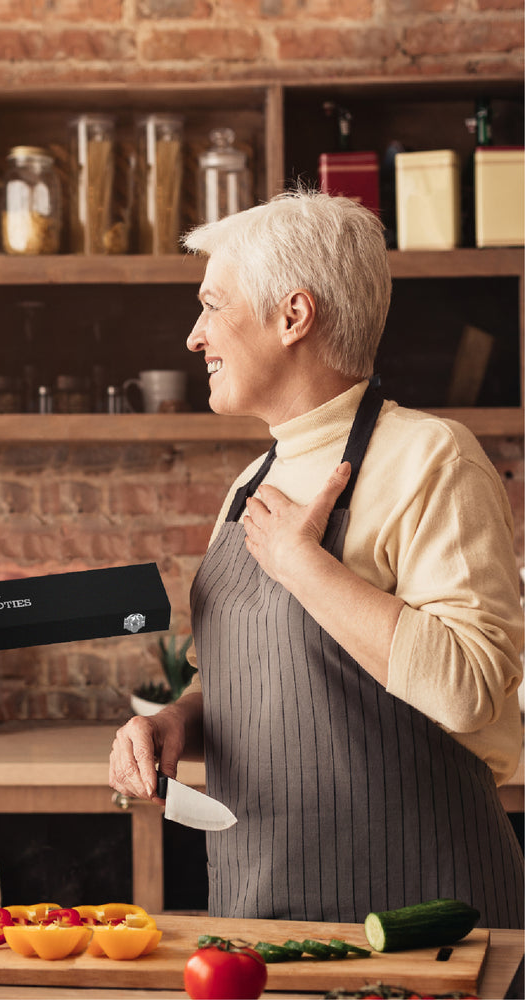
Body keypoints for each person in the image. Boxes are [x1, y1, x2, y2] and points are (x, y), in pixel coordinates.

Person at [109, 190, 524, 928]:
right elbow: (251, 685)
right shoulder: (251, 483)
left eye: (213, 305)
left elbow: (469, 687)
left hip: (423, 919)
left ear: (293, 316)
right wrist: (177, 721)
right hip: (262, 910)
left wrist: (306, 566)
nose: (194, 337)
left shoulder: (432, 459)